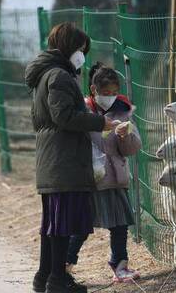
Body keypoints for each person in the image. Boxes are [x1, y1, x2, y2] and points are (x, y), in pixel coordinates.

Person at [25, 23, 119, 293]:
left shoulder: (45, 75)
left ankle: (45, 277)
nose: (82, 55)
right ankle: (57, 280)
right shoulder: (59, 77)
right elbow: (63, 116)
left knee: (53, 225)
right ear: (69, 47)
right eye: (80, 49)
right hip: (63, 161)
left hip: (52, 160)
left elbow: (41, 120)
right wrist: (99, 122)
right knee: (61, 225)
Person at [66, 63, 142, 283]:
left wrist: (123, 135)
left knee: (119, 225)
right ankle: (66, 262)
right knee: (81, 225)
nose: (109, 97)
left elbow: (132, 149)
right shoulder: (82, 111)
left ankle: (120, 264)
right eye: (105, 93)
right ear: (93, 90)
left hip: (115, 178)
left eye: (113, 93)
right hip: (90, 179)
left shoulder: (123, 111)